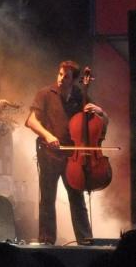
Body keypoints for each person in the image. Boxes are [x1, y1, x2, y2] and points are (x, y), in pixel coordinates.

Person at [25, 60, 107, 245]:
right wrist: (47, 135)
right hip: (49, 153)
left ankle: (85, 239)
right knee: (47, 198)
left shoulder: (80, 96)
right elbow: (31, 121)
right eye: (60, 74)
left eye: (66, 76)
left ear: (74, 80)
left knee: (77, 197)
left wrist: (100, 112)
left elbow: (103, 121)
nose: (61, 79)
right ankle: (47, 240)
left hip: (72, 157)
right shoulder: (46, 93)